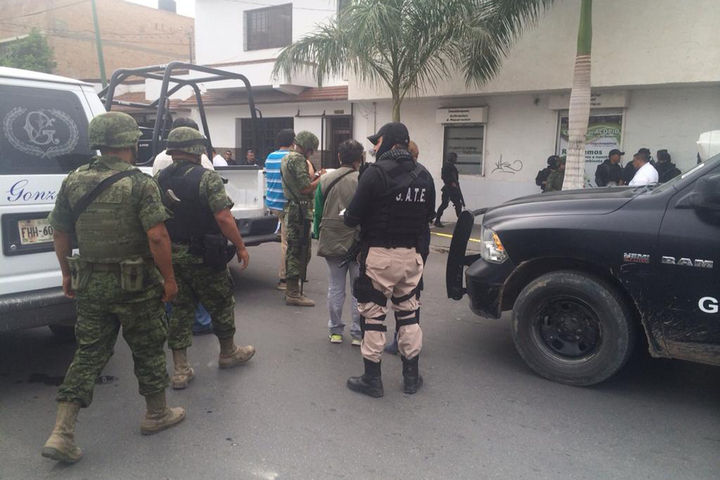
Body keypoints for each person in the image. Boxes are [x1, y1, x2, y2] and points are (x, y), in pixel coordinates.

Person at [42, 112, 185, 464]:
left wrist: (66, 273)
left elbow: (59, 232)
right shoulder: (139, 183)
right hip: (136, 286)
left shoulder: (74, 180)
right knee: (148, 347)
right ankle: (156, 414)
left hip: (91, 284)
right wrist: (169, 279)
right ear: (131, 142)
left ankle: (62, 432)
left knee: (89, 352)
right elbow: (157, 235)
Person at [156, 127, 255, 390]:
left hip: (173, 255)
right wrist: (241, 246)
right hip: (205, 256)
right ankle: (228, 352)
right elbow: (223, 217)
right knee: (221, 302)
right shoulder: (207, 178)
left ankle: (180, 369)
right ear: (197, 149)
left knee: (179, 310)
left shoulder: (159, 178)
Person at [344, 122, 436, 398]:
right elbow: (427, 217)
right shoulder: (425, 175)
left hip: (380, 257)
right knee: (408, 315)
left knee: (373, 317)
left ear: (391, 141)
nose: (374, 147)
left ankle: (372, 380)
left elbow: (352, 217)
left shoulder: (374, 173)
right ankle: (411, 378)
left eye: (378, 141)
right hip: (412, 257)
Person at [151, 118, 214, 337]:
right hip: (195, 227)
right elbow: (210, 188)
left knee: (171, 276)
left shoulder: (160, 158)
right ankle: (202, 322)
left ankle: (171, 319)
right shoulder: (201, 160)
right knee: (200, 279)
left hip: (168, 225)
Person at [313, 139, 363, 345]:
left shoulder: (325, 180)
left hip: (332, 238)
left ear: (339, 156)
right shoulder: (363, 180)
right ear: (360, 159)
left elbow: (318, 211)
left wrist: (317, 234)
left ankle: (335, 331)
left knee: (335, 286)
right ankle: (358, 333)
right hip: (358, 241)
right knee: (358, 288)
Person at [282, 131, 326, 306]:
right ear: (307, 147)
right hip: (299, 211)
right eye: (311, 150)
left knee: (295, 249)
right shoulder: (298, 160)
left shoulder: (287, 158)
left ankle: (291, 289)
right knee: (298, 250)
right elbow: (305, 188)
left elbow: (300, 183)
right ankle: (293, 293)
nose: (312, 153)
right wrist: (321, 179)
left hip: (293, 208)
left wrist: (315, 177)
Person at [265, 129, 294, 290]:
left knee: (285, 238)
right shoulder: (291, 158)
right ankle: (284, 279)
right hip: (285, 204)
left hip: (273, 203)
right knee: (287, 243)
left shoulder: (270, 156)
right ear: (293, 142)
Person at [434, 152, 463, 227]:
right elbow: (444, 177)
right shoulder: (446, 166)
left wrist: (455, 184)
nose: (456, 159)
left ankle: (461, 222)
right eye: (455, 158)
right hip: (448, 189)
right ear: (452, 158)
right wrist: (451, 183)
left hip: (453, 189)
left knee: (457, 204)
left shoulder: (451, 166)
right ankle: (437, 220)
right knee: (445, 204)